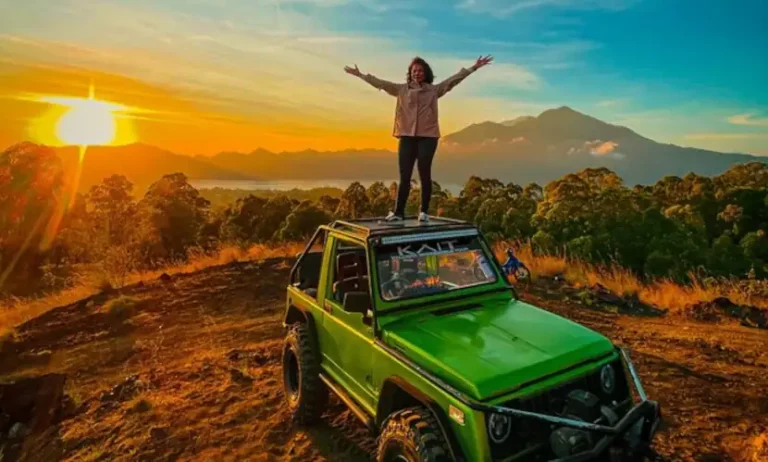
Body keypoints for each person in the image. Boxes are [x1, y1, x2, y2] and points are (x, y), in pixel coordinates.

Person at [344, 55, 493, 222]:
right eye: (414, 70)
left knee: (424, 172)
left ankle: (424, 212)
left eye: (420, 70)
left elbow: (453, 80)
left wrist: (474, 67)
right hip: (407, 136)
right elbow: (381, 83)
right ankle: (399, 213)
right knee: (405, 175)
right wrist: (360, 75)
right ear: (410, 73)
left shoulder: (434, 90)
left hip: (428, 136)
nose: (417, 73)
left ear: (426, 73)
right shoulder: (401, 90)